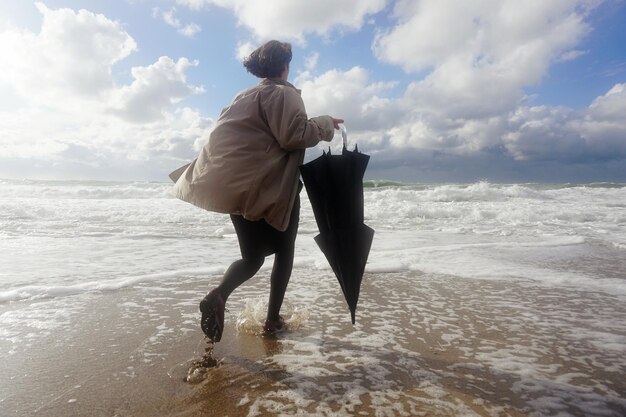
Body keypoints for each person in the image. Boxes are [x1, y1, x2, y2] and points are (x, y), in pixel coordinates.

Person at [169, 40, 343, 342]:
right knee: (284, 252)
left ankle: (219, 295)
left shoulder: (243, 96)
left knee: (252, 257)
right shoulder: (284, 93)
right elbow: (294, 135)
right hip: (268, 190)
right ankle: (272, 320)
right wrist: (325, 124)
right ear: (286, 66)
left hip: (236, 189)